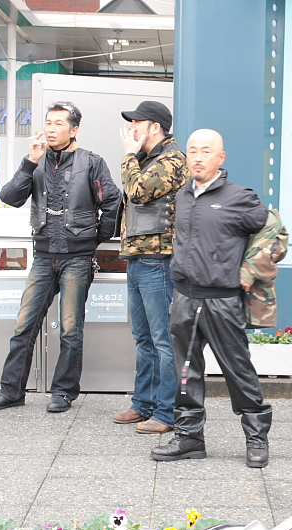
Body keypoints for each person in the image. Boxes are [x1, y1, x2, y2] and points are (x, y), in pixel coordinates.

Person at [0, 102, 120, 413]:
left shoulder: (92, 162)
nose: (51, 129)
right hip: (44, 257)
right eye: (48, 123)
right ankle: (11, 392)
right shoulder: (36, 161)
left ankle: (63, 392)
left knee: (70, 329)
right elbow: (9, 198)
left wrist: (96, 237)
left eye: (59, 123)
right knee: (24, 326)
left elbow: (112, 200)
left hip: (77, 258)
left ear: (74, 129)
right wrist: (29, 162)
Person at [151, 129, 271, 468]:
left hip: (222, 301)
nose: (198, 157)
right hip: (185, 297)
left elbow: (275, 232)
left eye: (206, 151)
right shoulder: (183, 195)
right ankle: (189, 438)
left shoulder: (239, 197)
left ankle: (257, 437)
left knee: (238, 371)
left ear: (221, 157)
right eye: (192, 151)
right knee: (185, 371)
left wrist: (252, 269)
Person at [112, 101, 188, 433]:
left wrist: (128, 155)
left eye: (136, 123)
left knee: (163, 341)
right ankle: (143, 404)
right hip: (138, 259)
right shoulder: (146, 161)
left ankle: (166, 413)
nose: (131, 129)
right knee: (143, 339)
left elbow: (138, 191)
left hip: (159, 261)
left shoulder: (173, 160)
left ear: (155, 127)